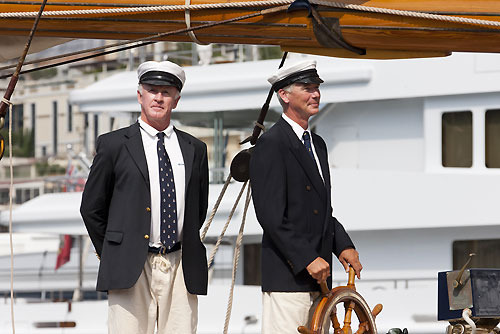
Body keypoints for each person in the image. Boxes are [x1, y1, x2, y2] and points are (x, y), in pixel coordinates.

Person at [80, 60, 209, 334]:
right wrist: (115, 251)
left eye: (166, 92)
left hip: (180, 265)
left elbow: (199, 207)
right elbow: (91, 208)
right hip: (130, 268)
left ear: (176, 99)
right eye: (152, 90)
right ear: (140, 95)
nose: (159, 97)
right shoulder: (113, 144)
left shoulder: (195, 149)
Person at [249, 59, 363, 333]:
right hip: (289, 279)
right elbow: (270, 215)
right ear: (284, 95)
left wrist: (343, 245)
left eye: (317, 88)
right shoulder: (271, 144)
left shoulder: (318, 145)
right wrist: (306, 258)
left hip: (319, 277)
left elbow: (322, 210)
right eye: (307, 88)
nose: (315, 94)